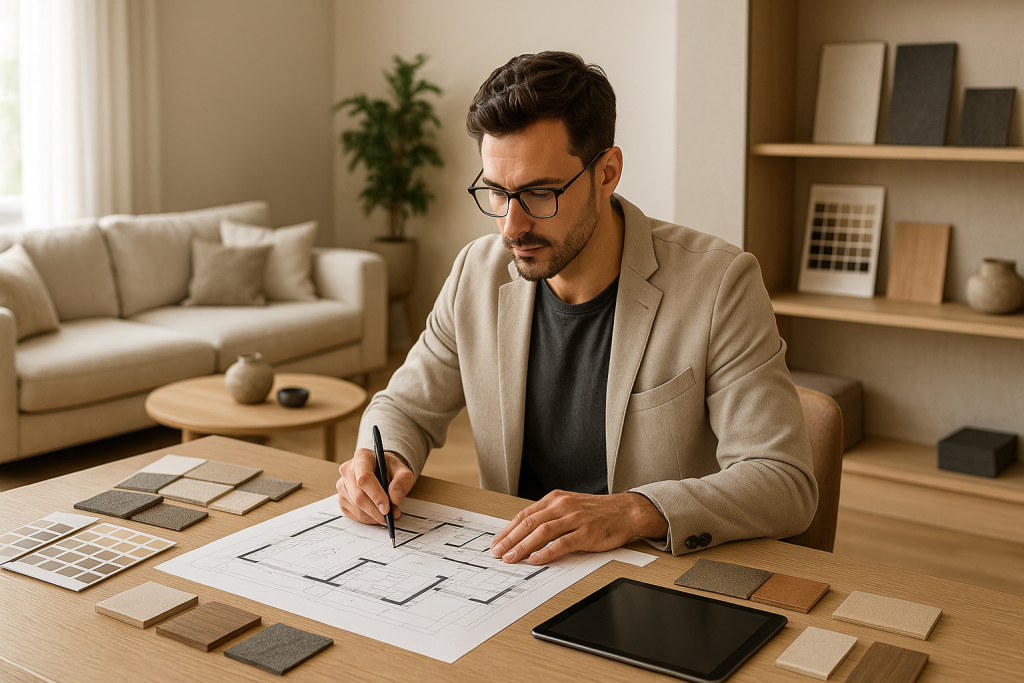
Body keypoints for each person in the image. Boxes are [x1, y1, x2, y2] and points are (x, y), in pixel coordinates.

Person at [336, 51, 817, 566]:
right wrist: (381, 458)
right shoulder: (475, 273)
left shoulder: (720, 284)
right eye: (497, 193)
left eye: (540, 193)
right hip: (511, 574)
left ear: (607, 173)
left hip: (652, 580)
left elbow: (782, 481)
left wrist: (633, 512)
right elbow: (404, 408)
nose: (510, 226)